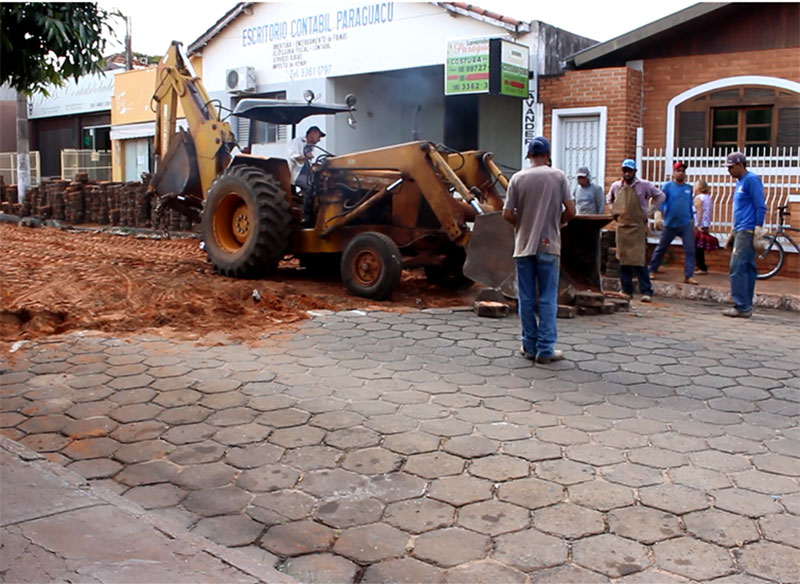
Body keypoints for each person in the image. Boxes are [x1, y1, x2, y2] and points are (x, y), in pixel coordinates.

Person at [503, 136, 575, 364]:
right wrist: (557, 222)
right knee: (547, 298)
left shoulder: (517, 178)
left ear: (529, 155)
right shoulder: (558, 176)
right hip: (549, 244)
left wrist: (522, 224)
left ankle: (529, 346)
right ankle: (545, 350)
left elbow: (507, 213)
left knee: (525, 298)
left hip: (523, 245)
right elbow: (571, 211)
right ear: (548, 154)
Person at [607, 159, 665, 302]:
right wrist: (614, 212)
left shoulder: (644, 185)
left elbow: (660, 196)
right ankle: (626, 290)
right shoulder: (616, 186)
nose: (627, 173)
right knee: (623, 260)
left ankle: (647, 291)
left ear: (635, 172)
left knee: (639, 261)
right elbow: (609, 199)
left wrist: (651, 210)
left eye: (630, 171)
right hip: (622, 228)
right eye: (625, 170)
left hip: (638, 227)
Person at [723, 151, 765, 318]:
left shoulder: (751, 180)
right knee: (747, 267)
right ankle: (745, 306)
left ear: (740, 165)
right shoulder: (740, 182)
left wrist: (758, 228)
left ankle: (741, 306)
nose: (729, 171)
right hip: (740, 229)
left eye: (731, 167)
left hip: (747, 230)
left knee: (738, 267)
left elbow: (760, 205)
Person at [648, 161, 699, 284]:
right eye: (678, 170)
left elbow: (689, 205)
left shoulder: (688, 188)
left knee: (690, 249)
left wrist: (694, 223)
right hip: (670, 223)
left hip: (685, 223)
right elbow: (661, 201)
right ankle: (652, 270)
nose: (681, 173)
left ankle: (688, 275)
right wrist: (659, 215)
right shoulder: (667, 187)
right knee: (661, 247)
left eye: (683, 171)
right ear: (673, 173)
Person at [288, 126, 325, 225]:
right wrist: (305, 156)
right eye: (318, 136)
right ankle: (305, 216)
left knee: (322, 185)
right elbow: (294, 157)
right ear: (312, 133)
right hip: (296, 174)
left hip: (307, 174)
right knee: (310, 187)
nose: (319, 140)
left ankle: (317, 213)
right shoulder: (297, 142)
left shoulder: (312, 147)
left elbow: (312, 163)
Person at [693, 179, 719, 275]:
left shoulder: (698, 198)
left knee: (697, 247)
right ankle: (700, 266)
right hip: (706, 223)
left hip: (700, 224)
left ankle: (701, 267)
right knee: (700, 246)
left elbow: (699, 212)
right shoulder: (708, 197)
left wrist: (697, 224)